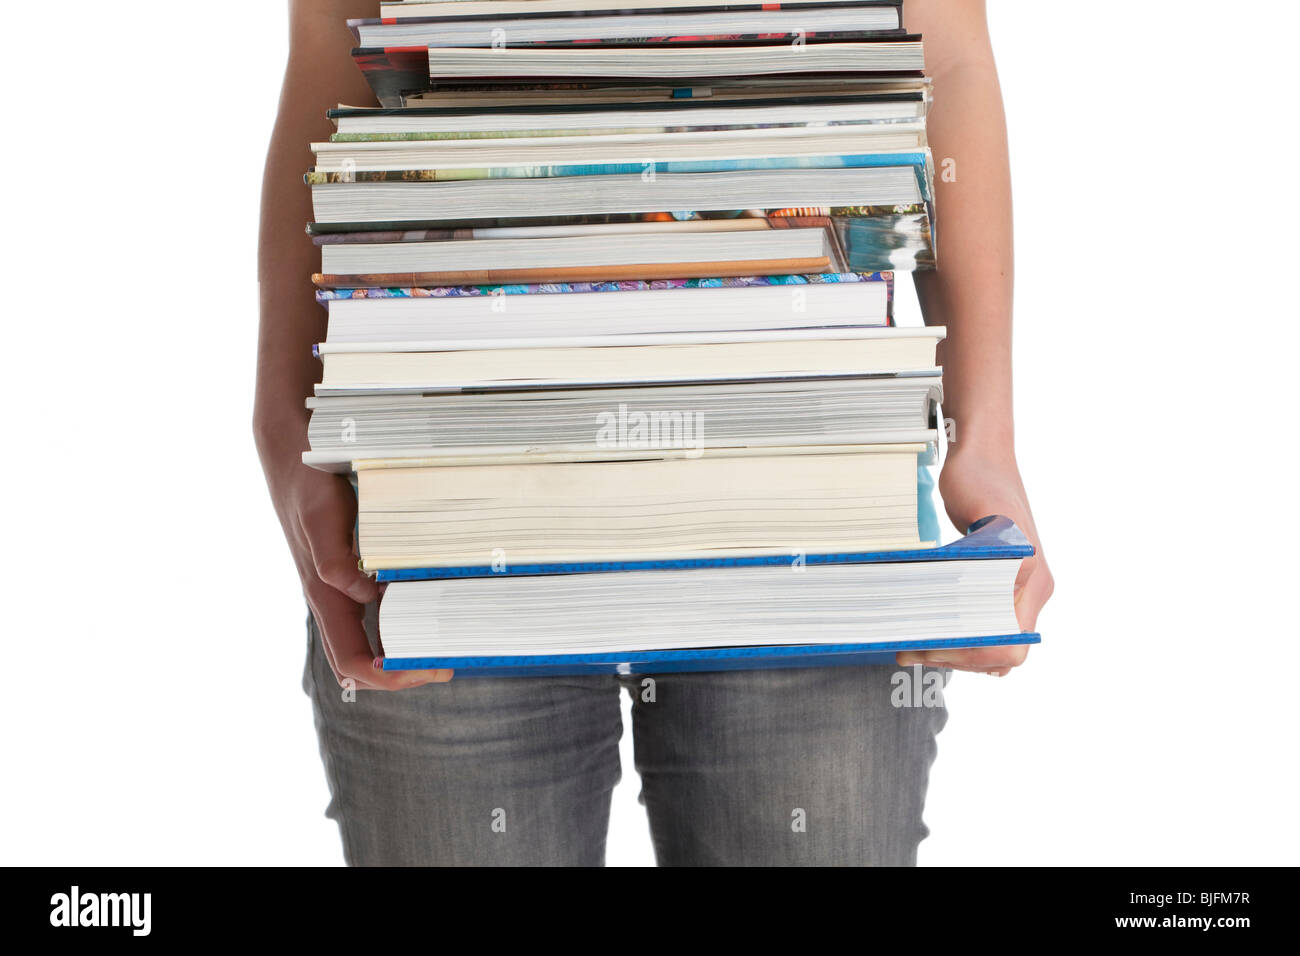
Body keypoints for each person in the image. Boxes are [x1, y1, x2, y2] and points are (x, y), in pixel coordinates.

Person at [255, 0, 1053, 865]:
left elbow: (951, 56)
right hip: (450, 483)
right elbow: (334, 52)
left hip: (802, 482)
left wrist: (986, 438)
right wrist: (288, 428)